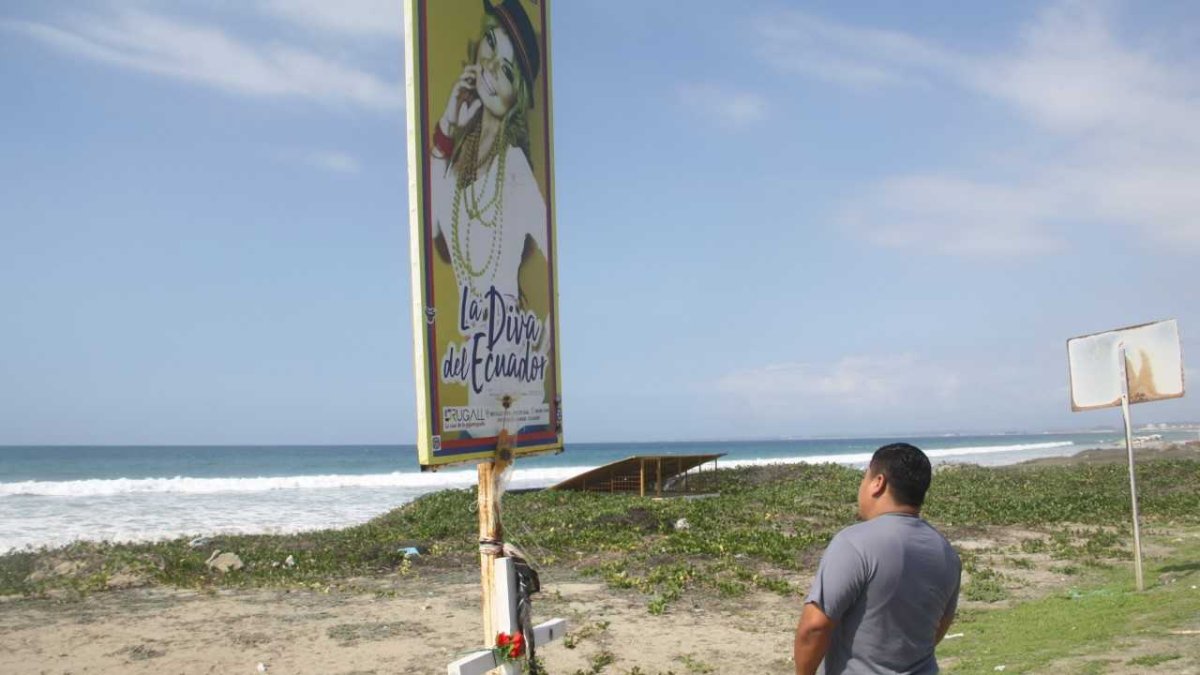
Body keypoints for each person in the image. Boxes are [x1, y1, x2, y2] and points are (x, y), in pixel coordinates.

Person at [427, 0, 552, 430]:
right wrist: (448, 121)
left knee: (496, 457)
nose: (492, 68)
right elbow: (431, 225)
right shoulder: (454, 169)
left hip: (518, 392)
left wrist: (545, 341)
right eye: (491, 44)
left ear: (518, 98)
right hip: (476, 393)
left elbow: (555, 258)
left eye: (508, 71)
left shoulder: (513, 166)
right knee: (481, 456)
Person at [794, 443, 961, 675]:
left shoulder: (853, 543)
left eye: (865, 477)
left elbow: (814, 627)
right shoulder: (946, 552)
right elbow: (939, 626)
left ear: (878, 482)